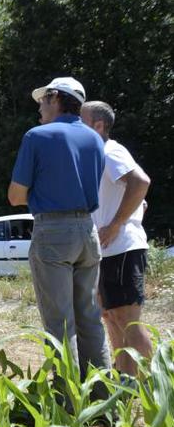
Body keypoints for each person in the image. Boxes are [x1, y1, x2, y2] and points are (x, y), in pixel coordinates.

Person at [8, 77, 111, 380]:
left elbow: (15, 196)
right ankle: (103, 396)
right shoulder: (94, 138)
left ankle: (67, 401)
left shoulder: (37, 136)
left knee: (59, 322)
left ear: (55, 98)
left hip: (53, 232)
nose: (39, 108)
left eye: (42, 101)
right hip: (87, 231)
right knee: (90, 317)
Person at [81, 100, 152, 376]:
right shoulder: (97, 155)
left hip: (121, 248)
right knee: (111, 318)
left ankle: (160, 384)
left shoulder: (110, 151)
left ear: (99, 125)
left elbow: (141, 182)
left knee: (126, 320)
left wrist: (115, 225)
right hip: (108, 251)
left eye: (81, 120)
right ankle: (126, 383)